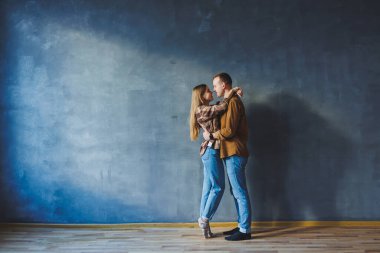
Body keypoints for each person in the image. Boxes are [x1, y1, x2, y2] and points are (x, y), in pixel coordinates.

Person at [203, 73, 252, 241]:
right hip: (230, 153)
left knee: (239, 191)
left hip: (235, 152)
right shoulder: (228, 101)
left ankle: (245, 230)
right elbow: (219, 108)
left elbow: (229, 131)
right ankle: (241, 226)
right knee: (236, 191)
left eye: (215, 85)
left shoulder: (233, 102)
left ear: (224, 85)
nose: (214, 88)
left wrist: (211, 136)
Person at [189, 84, 241, 239]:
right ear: (201, 95)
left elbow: (219, 106)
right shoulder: (201, 109)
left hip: (212, 151)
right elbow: (223, 106)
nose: (211, 91)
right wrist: (231, 92)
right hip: (211, 151)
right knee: (218, 187)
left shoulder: (207, 108)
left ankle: (205, 226)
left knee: (208, 188)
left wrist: (235, 92)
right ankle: (204, 219)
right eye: (207, 90)